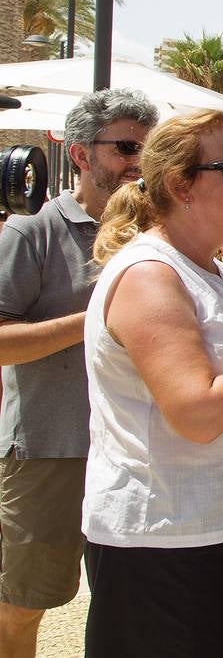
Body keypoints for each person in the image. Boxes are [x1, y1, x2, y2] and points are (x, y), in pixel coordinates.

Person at [82, 110, 223, 657]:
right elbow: (197, 413)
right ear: (181, 185)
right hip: (163, 544)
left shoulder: (207, 269)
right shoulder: (151, 276)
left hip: (213, 532)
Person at [0, 89, 157, 658]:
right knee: (24, 603)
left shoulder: (156, 234)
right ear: (81, 155)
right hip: (52, 449)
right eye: (126, 148)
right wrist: (95, 319)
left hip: (137, 451)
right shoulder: (31, 234)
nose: (140, 162)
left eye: (148, 149)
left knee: (130, 603)